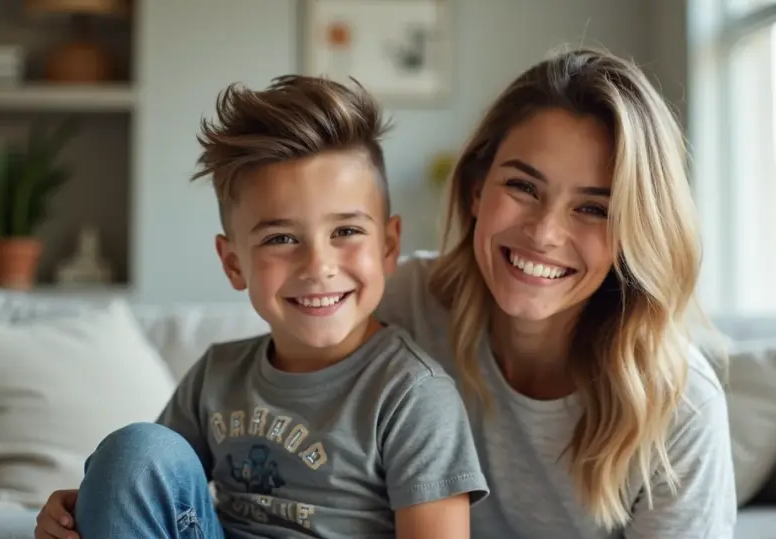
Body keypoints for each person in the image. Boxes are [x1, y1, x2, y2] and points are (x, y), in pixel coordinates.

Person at [37, 47, 736, 538]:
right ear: (474, 188)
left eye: (594, 207)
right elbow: (160, 476)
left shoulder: (679, 408)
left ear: (636, 227)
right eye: (522, 185)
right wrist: (97, 503)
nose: (545, 233)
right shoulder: (386, 296)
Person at [34, 75, 489, 539]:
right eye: (281, 238)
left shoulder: (413, 396)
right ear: (234, 264)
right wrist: (79, 508)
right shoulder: (219, 374)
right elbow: (144, 485)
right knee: (134, 448)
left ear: (389, 245)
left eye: (346, 231)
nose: (318, 265)